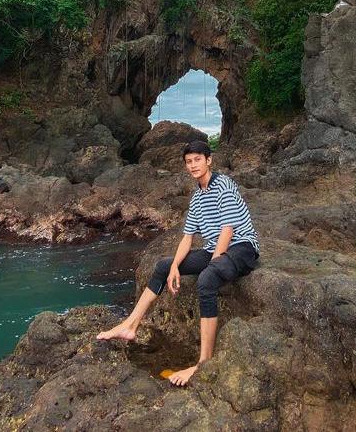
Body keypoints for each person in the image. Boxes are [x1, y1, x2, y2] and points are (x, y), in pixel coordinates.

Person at [96, 139, 260, 386]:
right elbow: (187, 237)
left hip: (241, 247)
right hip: (214, 248)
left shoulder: (223, 185)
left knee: (207, 279)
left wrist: (214, 265)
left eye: (197, 160)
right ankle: (130, 325)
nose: (193, 165)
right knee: (162, 266)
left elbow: (227, 230)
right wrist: (174, 267)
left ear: (209, 160)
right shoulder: (196, 197)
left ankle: (203, 362)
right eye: (188, 162)